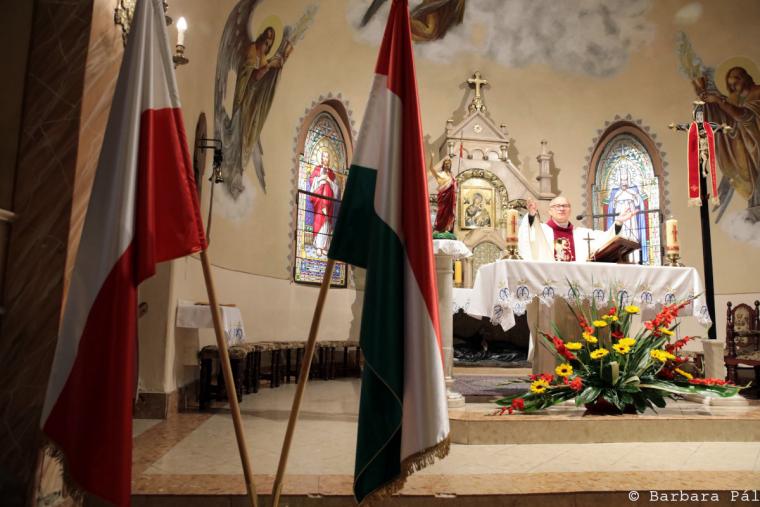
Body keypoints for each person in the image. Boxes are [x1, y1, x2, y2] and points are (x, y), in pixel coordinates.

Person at [693, 66, 760, 214]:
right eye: (731, 86)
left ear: (744, 78)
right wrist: (710, 103)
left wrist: (719, 100)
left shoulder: (758, 92)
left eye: (735, 83)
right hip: (747, 146)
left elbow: (745, 116)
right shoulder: (736, 99)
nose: (733, 88)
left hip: (756, 145)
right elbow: (729, 119)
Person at [517, 196, 637, 262]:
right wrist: (531, 216)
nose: (561, 209)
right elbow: (528, 232)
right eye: (557, 206)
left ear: (570, 210)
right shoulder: (542, 231)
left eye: (565, 206)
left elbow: (606, 239)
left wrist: (619, 222)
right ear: (550, 211)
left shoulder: (581, 234)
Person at [309, 152, 340, 256]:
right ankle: (318, 246)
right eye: (324, 157)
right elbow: (311, 181)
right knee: (319, 219)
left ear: (329, 159)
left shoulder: (331, 173)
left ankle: (325, 246)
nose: (325, 158)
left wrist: (329, 181)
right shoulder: (317, 169)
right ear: (321, 158)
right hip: (319, 200)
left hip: (329, 201)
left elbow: (337, 189)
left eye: (327, 157)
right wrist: (321, 178)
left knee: (327, 222)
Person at [429, 158, 457, 233]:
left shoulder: (452, 175)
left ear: (450, 165)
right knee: (442, 212)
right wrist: (432, 159)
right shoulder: (441, 174)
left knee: (449, 212)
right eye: (446, 163)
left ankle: (447, 228)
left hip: (450, 197)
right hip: (443, 196)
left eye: (448, 163)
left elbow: (454, 186)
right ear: (443, 165)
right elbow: (431, 169)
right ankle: (439, 228)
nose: (447, 165)